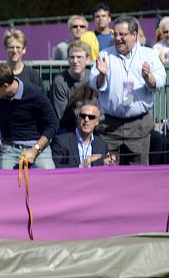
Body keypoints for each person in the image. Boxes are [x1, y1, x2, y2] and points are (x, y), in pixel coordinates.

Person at [89, 15, 166, 165]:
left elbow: (161, 80)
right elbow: (93, 83)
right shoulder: (105, 55)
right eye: (115, 34)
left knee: (137, 174)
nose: (118, 38)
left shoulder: (148, 54)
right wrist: (102, 75)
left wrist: (148, 77)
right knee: (107, 170)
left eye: (122, 35)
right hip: (110, 126)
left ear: (134, 35)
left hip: (138, 126)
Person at [0, 62, 59, 169]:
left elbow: (53, 124)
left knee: (49, 179)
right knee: (5, 183)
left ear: (5, 86)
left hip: (39, 149)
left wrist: (35, 149)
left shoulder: (35, 94)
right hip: (10, 150)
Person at [51, 100, 113, 168]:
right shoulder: (61, 141)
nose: (86, 119)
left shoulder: (102, 145)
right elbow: (54, 167)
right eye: (83, 116)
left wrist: (106, 164)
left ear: (97, 122)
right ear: (78, 118)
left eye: (91, 117)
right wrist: (80, 167)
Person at [49, 40, 92, 126]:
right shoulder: (60, 81)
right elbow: (61, 115)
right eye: (72, 57)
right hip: (67, 127)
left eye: (79, 57)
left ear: (87, 59)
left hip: (91, 123)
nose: (75, 61)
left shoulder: (92, 77)